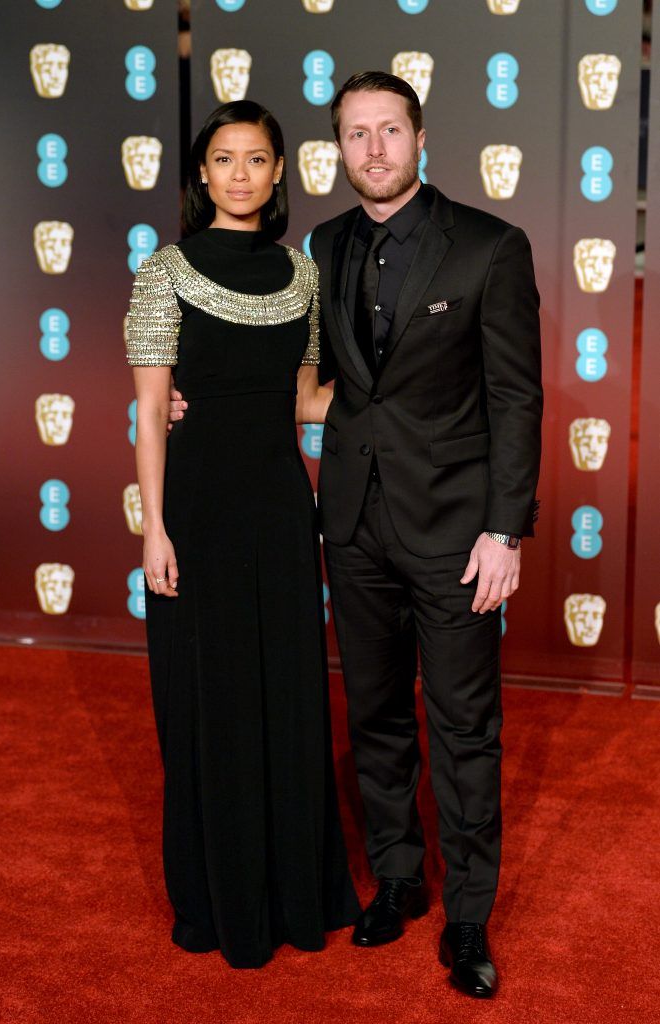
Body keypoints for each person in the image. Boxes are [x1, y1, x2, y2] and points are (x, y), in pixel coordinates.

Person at [170, 72, 542, 998]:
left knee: (461, 729)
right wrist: (194, 400)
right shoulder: (320, 251)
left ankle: (466, 919)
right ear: (336, 148)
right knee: (374, 720)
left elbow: (515, 399)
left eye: (388, 131)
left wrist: (505, 529)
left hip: (457, 534)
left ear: (419, 137)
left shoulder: (491, 247)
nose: (372, 149)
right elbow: (293, 374)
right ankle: (400, 881)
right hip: (350, 528)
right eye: (354, 134)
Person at [126, 99, 359, 970]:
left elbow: (303, 399)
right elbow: (152, 411)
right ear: (200, 173)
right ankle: (216, 901)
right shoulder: (164, 272)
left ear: (276, 173)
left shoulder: (300, 275)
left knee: (286, 699)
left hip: (277, 513)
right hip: (196, 514)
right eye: (223, 159)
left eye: (256, 159)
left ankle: (297, 892)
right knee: (207, 703)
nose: (239, 174)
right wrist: (154, 528)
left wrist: (402, 401)